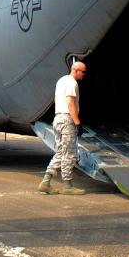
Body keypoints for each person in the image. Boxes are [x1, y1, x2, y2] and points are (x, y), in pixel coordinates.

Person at [38, 60, 88, 195]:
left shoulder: (61, 80)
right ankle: (68, 186)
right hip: (67, 120)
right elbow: (71, 103)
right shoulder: (72, 83)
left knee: (60, 152)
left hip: (58, 119)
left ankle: (46, 182)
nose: (84, 74)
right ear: (76, 70)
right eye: (83, 72)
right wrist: (77, 123)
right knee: (69, 154)